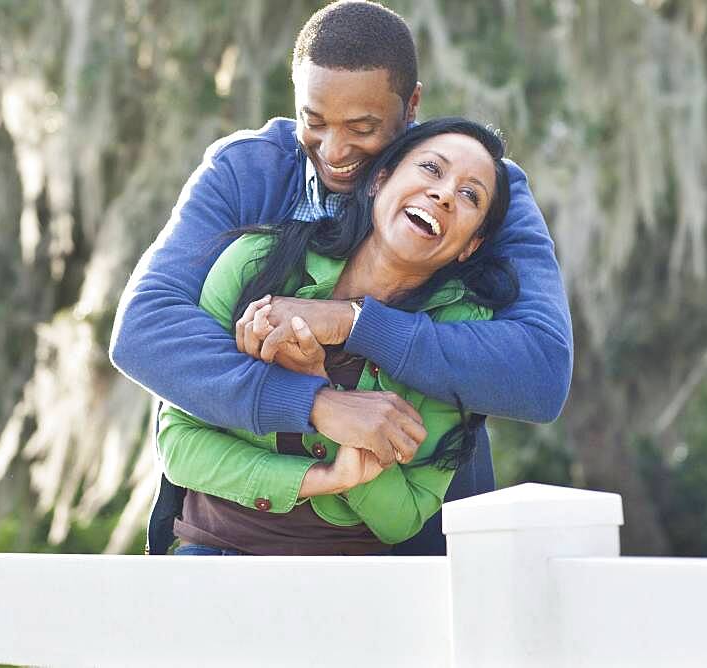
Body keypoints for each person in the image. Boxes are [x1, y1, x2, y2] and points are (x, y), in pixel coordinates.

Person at [109, 1, 572, 555]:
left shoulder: (481, 187)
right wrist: (317, 405)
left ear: (412, 106)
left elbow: (540, 370)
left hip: (411, 550)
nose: (334, 150)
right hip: (224, 536)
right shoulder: (245, 172)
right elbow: (144, 332)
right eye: (314, 121)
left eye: (363, 127)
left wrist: (351, 323)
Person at [161, 118, 517, 554]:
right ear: (379, 181)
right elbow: (177, 442)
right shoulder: (259, 262)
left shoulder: (460, 334)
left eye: (469, 195)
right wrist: (323, 475)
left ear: (470, 245)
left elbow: (404, 516)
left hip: (354, 584)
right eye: (430, 168)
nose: (444, 194)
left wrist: (332, 409)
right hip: (210, 560)